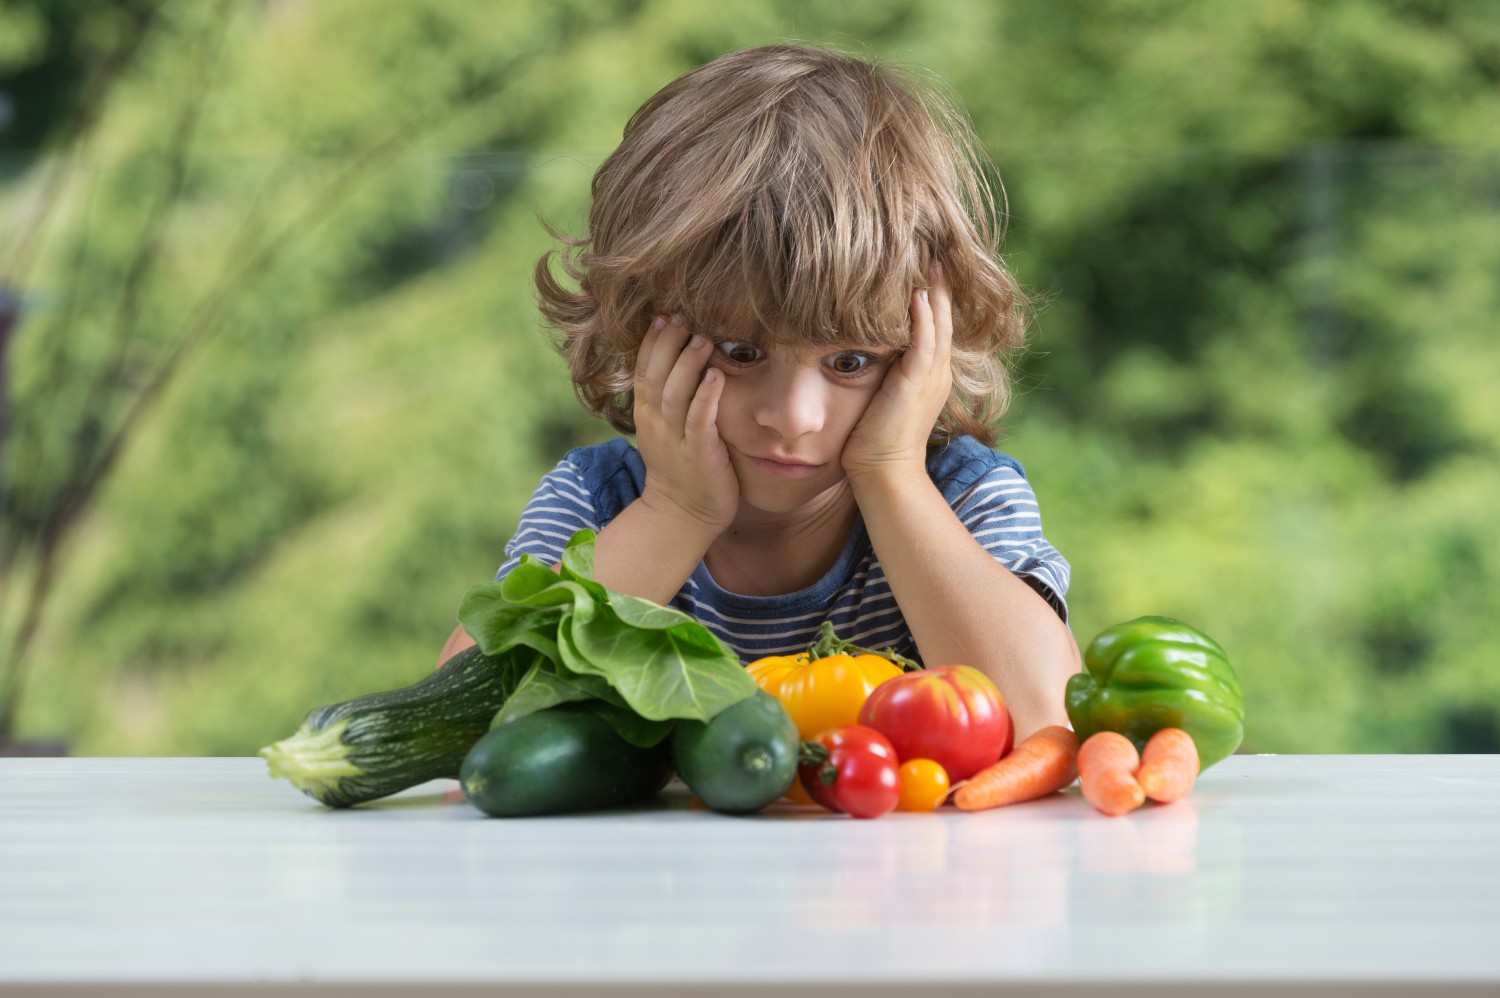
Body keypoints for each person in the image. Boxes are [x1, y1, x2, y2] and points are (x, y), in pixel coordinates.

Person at [439, 44, 1078, 738]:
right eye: (742, 352)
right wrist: (676, 511)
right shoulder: (596, 505)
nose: (792, 418)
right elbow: (463, 728)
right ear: (642, 324)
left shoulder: (961, 499)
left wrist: (891, 478)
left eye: (851, 360)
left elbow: (1048, 723)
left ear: (925, 345)